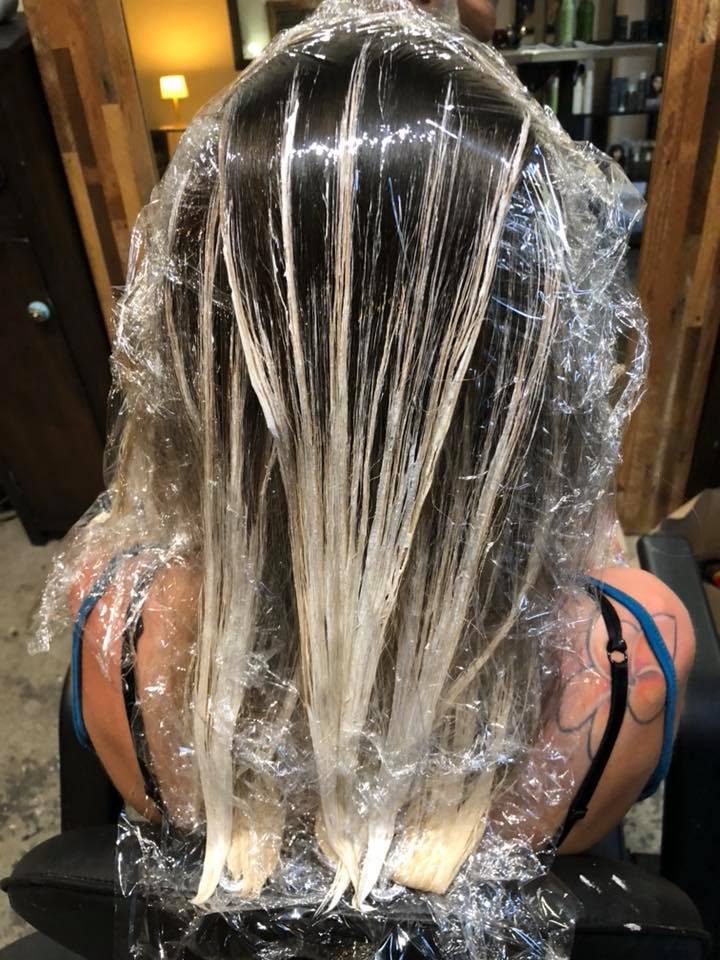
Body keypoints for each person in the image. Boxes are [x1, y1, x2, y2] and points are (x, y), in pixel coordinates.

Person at [50, 0, 693, 918]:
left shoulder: (115, 624)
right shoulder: (629, 655)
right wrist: (571, 501)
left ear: (195, 345)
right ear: (544, 356)